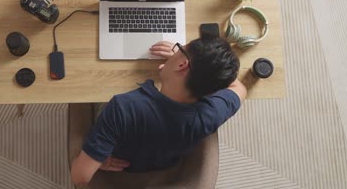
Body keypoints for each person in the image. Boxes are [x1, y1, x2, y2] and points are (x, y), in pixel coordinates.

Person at [71, 38, 247, 186]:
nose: (176, 51)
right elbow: (239, 87)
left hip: (121, 159)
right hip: (162, 161)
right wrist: (204, 70)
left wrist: (100, 161)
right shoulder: (210, 115)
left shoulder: (122, 108)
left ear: (182, 65)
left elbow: (79, 177)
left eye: (179, 49)